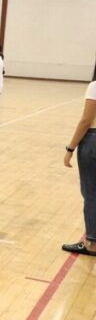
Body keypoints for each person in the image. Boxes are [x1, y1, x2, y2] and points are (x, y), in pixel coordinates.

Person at [62, 73, 96, 256]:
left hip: (93, 141)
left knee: (90, 192)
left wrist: (70, 148)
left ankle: (92, 242)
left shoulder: (94, 87)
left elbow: (86, 121)